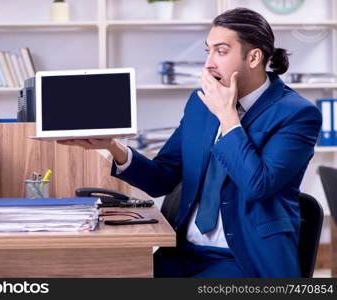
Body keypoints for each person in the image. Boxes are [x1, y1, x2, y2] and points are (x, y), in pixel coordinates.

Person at [57, 8, 322, 277]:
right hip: (183, 253)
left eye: (220, 51)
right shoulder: (201, 103)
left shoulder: (296, 114)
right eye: (207, 51)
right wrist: (112, 146)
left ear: (253, 57)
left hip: (245, 260)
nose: (209, 63)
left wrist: (228, 116)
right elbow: (161, 178)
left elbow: (258, 185)